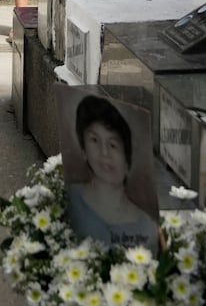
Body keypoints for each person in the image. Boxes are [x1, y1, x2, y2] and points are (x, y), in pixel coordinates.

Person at [65, 94, 158, 246]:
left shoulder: (148, 227)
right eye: (94, 140)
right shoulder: (68, 201)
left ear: (127, 161)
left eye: (113, 145)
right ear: (83, 149)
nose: (104, 153)